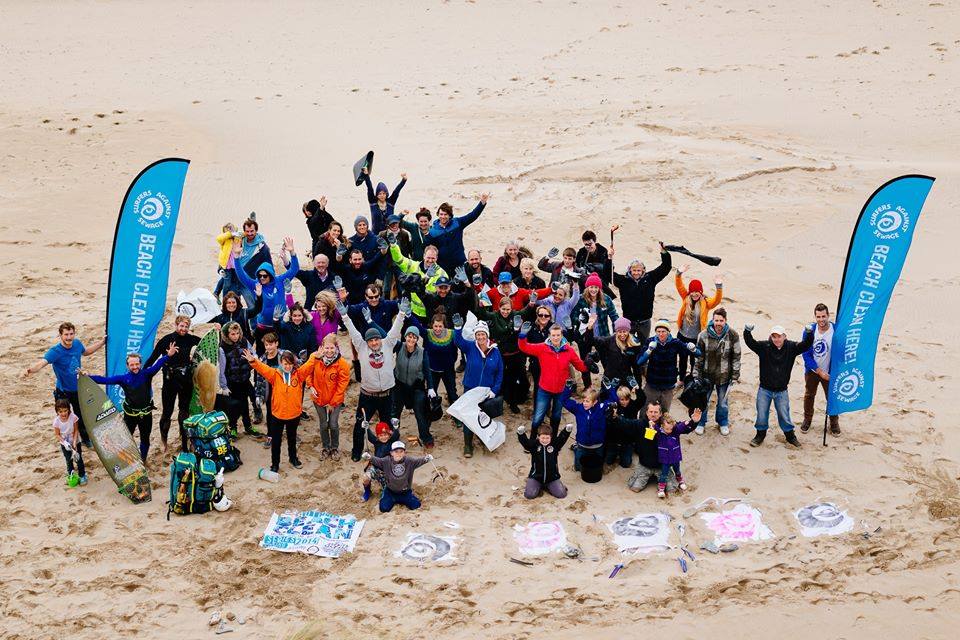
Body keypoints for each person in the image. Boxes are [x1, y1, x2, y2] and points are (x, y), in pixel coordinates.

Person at [339, 296, 409, 461]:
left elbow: (396, 327)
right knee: (359, 425)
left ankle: (391, 450)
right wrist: (345, 317)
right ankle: (356, 451)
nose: (374, 342)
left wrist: (401, 313)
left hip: (387, 395)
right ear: (367, 342)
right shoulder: (361, 346)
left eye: (376, 339)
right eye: (371, 340)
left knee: (389, 425)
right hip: (367, 395)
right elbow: (354, 332)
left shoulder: (388, 343)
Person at [85, 342, 177, 461]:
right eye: (131, 365)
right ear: (127, 366)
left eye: (137, 364)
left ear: (140, 363)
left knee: (145, 439)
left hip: (146, 415)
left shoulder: (147, 374)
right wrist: (89, 376)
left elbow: (158, 364)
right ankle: (126, 459)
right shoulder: (123, 379)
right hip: (130, 415)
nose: (135, 367)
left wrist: (168, 355)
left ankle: (142, 459)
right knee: (126, 438)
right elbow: (105, 380)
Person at [23, 322, 106, 447]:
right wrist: (29, 370)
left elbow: (86, 352)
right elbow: (42, 363)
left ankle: (85, 439)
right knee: (64, 417)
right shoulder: (55, 351)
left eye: (71, 334)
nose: (69, 337)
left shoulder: (77, 344)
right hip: (63, 392)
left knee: (81, 415)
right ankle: (65, 440)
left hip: (78, 388)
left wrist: (102, 343)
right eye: (66, 334)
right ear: (60, 335)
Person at [244, 348, 315, 473]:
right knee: (276, 442)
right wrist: (253, 361)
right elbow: (262, 368)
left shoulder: (299, 374)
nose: (287, 366)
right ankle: (275, 464)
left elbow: (309, 365)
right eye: (285, 364)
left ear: (293, 364)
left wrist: (315, 355)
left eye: (290, 364)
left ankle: (293, 459)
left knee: (292, 439)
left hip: (294, 414)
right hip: (277, 414)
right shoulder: (274, 374)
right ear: (281, 363)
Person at [743, 323, 814, 448]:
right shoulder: (764, 346)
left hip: (782, 390)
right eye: (774, 336)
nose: (777, 339)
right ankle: (760, 435)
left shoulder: (791, 347)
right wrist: (747, 331)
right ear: (771, 337)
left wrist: (809, 333)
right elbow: (750, 343)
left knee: (784, 414)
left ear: (784, 337)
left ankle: (790, 436)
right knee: (762, 414)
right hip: (764, 389)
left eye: (779, 336)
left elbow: (806, 345)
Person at [519, 322, 592, 434]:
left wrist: (588, 363)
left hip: (561, 390)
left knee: (556, 416)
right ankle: (533, 440)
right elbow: (524, 347)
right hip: (544, 389)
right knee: (538, 417)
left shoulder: (569, 350)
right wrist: (522, 336)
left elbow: (580, 366)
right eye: (553, 335)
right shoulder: (542, 348)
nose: (556, 338)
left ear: (562, 335)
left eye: (558, 335)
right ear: (549, 335)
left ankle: (553, 438)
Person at [144, 315, 201, 452]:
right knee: (167, 413)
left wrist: (216, 330)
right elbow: (152, 358)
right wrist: (143, 374)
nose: (184, 329)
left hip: (186, 380)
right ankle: (164, 440)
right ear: (176, 325)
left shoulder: (191, 339)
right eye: (181, 326)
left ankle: (184, 441)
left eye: (186, 326)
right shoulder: (166, 340)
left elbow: (208, 343)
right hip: (170, 381)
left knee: (184, 412)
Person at [234, 236, 300, 352]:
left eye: (265, 275)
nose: (262, 278)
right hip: (262, 327)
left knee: (281, 353)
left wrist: (292, 252)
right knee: (260, 354)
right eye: (260, 275)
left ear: (271, 274)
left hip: (279, 325)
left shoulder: (280, 280)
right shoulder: (256, 285)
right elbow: (241, 275)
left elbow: (294, 269)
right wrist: (236, 257)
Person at [453, 318, 504, 457]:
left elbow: (500, 372)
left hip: (487, 391)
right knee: (469, 417)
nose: (480, 337)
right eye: (478, 334)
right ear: (475, 336)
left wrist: (494, 390)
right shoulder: (470, 347)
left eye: (483, 334)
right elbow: (458, 341)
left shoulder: (495, 351)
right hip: (470, 389)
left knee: (484, 416)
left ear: (487, 335)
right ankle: (468, 444)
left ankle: (483, 438)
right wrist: (458, 328)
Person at [475, 296, 530, 414]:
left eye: (508, 309)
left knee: (514, 379)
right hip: (500, 354)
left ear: (512, 309)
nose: (505, 312)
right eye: (503, 309)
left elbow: (526, 311)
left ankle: (513, 402)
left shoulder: (516, 315)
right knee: (499, 376)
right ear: (499, 308)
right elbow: (482, 314)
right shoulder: (494, 316)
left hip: (515, 354)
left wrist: (531, 303)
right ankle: (498, 399)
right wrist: (480, 305)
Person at [692, 307, 740, 436]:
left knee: (723, 402)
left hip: (724, 376)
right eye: (716, 320)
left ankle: (722, 422)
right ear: (712, 320)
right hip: (706, 375)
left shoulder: (733, 335)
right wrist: (696, 375)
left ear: (725, 321)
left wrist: (735, 375)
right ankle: (701, 423)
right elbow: (698, 358)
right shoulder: (703, 335)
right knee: (703, 401)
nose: (718, 323)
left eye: (721, 320)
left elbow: (736, 356)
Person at [302, 334, 351, 461]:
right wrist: (310, 385)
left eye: (332, 348)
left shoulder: (342, 364)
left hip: (335, 400)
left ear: (336, 348)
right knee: (324, 424)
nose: (329, 351)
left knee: (333, 424)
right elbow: (307, 372)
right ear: (322, 347)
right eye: (326, 348)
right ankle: (326, 447)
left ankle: (334, 447)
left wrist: (333, 403)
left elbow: (342, 386)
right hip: (318, 399)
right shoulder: (314, 358)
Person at [635, 320, 701, 413]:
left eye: (663, 331)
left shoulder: (675, 343)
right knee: (645, 411)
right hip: (652, 384)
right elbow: (639, 362)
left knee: (665, 413)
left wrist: (693, 349)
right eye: (658, 332)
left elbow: (697, 354)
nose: (661, 334)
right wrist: (649, 351)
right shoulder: (650, 341)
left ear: (668, 332)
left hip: (668, 386)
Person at [612, 242, 672, 340]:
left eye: (639, 270)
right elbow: (608, 273)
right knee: (628, 345)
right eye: (634, 270)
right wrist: (609, 258)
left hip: (645, 322)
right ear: (630, 270)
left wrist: (664, 252)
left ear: (643, 270)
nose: (636, 273)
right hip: (629, 322)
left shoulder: (650, 278)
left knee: (644, 346)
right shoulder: (623, 281)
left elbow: (666, 267)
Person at [215, 322, 263, 439]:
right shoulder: (222, 348)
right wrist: (224, 386)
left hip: (245, 378)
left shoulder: (244, 341)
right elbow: (221, 369)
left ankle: (248, 426)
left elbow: (253, 352)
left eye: (237, 333)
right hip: (232, 381)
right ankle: (233, 428)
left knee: (245, 404)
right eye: (232, 334)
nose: (235, 336)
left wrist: (255, 358)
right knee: (234, 406)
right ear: (227, 334)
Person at [675, 265, 723, 379]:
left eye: (697, 292)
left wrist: (719, 286)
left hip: (696, 338)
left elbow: (717, 300)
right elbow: (679, 285)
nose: (694, 294)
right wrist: (678, 273)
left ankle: (692, 379)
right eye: (692, 291)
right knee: (682, 359)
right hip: (682, 335)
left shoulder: (706, 303)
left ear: (701, 292)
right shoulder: (685, 297)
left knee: (694, 361)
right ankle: (681, 379)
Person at [393, 325, 436, 448]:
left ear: (417, 339)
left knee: (420, 412)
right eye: (409, 336)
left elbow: (427, 371)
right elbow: (386, 336)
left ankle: (426, 437)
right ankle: (394, 437)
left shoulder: (422, 353)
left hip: (416, 387)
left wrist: (431, 387)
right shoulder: (399, 346)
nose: (411, 340)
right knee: (395, 413)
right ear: (405, 336)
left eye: (414, 337)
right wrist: (370, 321)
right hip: (400, 385)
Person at [361, 441, 433, 513]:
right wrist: (369, 457)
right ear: (391, 453)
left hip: (405, 492)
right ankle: (386, 497)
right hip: (391, 492)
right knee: (383, 508)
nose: (399, 454)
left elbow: (419, 461)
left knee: (416, 505)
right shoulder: (386, 461)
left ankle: (403, 500)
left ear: (404, 453)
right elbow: (377, 460)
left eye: (401, 451)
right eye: (396, 451)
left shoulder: (409, 461)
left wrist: (426, 459)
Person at [801, 303, 840, 435]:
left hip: (830, 372)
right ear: (815, 317)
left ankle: (834, 422)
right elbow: (805, 353)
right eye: (818, 317)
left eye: (824, 316)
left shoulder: (836, 329)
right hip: (813, 371)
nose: (821, 319)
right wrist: (818, 371)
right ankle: (807, 420)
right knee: (809, 395)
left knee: (832, 398)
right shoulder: (810, 331)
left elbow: (841, 350)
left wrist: (833, 370)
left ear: (828, 315)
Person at [562, 382, 617, 471]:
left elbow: (614, 400)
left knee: (597, 466)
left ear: (595, 402)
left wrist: (609, 387)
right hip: (582, 444)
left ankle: (577, 448)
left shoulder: (601, 408)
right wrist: (568, 388)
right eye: (583, 400)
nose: (584, 403)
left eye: (587, 401)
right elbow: (564, 401)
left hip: (598, 445)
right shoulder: (578, 408)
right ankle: (576, 448)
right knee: (578, 468)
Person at [387, 241, 447, 322]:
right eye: (428, 257)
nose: (430, 260)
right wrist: (394, 245)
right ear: (424, 256)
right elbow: (399, 259)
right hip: (413, 311)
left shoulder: (442, 274)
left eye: (433, 258)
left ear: (436, 258)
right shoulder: (413, 266)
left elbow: (443, 295)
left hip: (430, 313)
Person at [429, 195, 489, 274]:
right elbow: (430, 249)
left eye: (445, 214)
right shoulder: (433, 231)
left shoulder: (457, 223)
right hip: (443, 266)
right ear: (438, 214)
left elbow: (472, 216)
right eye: (441, 214)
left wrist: (482, 203)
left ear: (450, 215)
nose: (443, 217)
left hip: (460, 264)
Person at [626, 401, 676, 493]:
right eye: (651, 412)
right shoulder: (640, 424)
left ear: (660, 414)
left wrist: (694, 422)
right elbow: (625, 423)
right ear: (646, 412)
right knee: (634, 487)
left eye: (656, 412)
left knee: (672, 489)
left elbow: (682, 427)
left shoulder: (666, 425)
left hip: (662, 465)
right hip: (645, 464)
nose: (653, 414)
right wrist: (614, 417)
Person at [517, 423, 573, 499]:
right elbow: (525, 443)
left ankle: (549, 487)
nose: (545, 440)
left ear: (551, 437)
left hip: (552, 478)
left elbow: (562, 439)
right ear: (538, 437)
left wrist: (567, 431)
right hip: (536, 477)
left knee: (562, 494)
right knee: (529, 495)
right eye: (543, 438)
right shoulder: (534, 445)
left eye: (547, 438)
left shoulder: (554, 444)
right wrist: (521, 434)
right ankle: (538, 486)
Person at [654, 409, 701, 498]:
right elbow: (649, 435)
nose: (669, 431)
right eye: (667, 429)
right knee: (664, 474)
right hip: (665, 459)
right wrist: (651, 426)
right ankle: (661, 489)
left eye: (671, 428)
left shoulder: (675, 431)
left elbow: (682, 426)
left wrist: (692, 421)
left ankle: (680, 481)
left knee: (677, 471)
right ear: (662, 426)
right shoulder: (658, 432)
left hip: (675, 457)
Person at [586, 317, 643, 384]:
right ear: (616, 331)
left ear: (628, 331)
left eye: (624, 331)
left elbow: (636, 367)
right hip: (610, 377)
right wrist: (589, 329)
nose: (622, 334)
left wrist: (639, 383)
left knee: (625, 394)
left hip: (626, 377)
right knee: (607, 394)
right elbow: (590, 341)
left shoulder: (634, 345)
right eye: (619, 332)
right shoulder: (608, 341)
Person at [419, 313, 459, 407]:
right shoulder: (427, 333)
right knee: (431, 394)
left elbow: (456, 349)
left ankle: (455, 413)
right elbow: (418, 327)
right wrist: (408, 315)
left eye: (440, 326)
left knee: (452, 393)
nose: (437, 329)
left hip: (448, 370)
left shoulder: (452, 333)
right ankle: (433, 413)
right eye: (435, 326)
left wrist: (459, 327)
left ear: (444, 326)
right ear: (432, 325)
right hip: (432, 370)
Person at [604, 382, 646, 467]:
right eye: (621, 399)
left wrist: (637, 388)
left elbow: (642, 399)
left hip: (627, 441)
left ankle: (633, 448)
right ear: (617, 399)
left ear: (629, 398)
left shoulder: (633, 405)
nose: (624, 402)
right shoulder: (614, 407)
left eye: (626, 399)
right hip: (614, 441)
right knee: (608, 461)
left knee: (626, 464)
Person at [360, 420, 400, 501]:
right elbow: (370, 436)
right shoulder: (376, 442)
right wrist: (366, 428)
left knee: (387, 494)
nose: (383, 437)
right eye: (381, 435)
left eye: (385, 435)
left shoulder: (392, 441)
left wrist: (395, 426)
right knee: (365, 478)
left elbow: (396, 435)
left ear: (389, 435)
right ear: (378, 436)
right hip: (376, 468)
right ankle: (367, 492)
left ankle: (386, 490)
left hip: (388, 472)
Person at [236, 217, 271, 308]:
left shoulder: (263, 248)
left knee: (252, 307)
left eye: (252, 231)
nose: (250, 234)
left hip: (249, 281)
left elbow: (268, 265)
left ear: (256, 231)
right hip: (235, 279)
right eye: (247, 231)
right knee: (232, 306)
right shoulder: (239, 241)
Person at [53, 398, 86, 486]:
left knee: (78, 459)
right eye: (60, 411)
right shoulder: (56, 422)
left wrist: (74, 442)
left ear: (69, 409)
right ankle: (71, 476)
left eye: (65, 411)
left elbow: (76, 430)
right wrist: (64, 443)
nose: (63, 413)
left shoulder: (73, 417)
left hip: (75, 442)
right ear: (57, 411)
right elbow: (57, 434)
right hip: (65, 444)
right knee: (69, 460)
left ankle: (82, 475)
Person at [362, 168, 407, 234]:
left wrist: (403, 180)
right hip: (375, 236)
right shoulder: (373, 202)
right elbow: (369, 187)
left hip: (389, 236)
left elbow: (397, 191)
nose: (382, 195)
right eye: (379, 194)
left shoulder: (390, 203)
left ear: (386, 194)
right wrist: (366, 175)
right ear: (377, 195)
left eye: (384, 193)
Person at [252, 332, 281, 428]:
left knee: (283, 413)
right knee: (270, 413)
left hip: (282, 390)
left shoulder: (284, 355)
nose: (269, 347)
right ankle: (270, 434)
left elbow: (296, 365)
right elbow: (259, 379)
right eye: (266, 345)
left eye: (271, 344)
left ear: (276, 343)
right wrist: (258, 395)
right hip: (269, 391)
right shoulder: (262, 360)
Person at [486, 272, 551, 311]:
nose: (505, 286)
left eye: (507, 283)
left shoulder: (520, 292)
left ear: (511, 282)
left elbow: (536, 293)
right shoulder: (493, 292)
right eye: (503, 283)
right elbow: (481, 298)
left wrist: (551, 289)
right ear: (499, 283)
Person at [213, 222, 241, 302]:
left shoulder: (237, 238)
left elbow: (240, 236)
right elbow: (219, 238)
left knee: (235, 283)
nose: (230, 231)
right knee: (227, 283)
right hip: (227, 265)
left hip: (235, 265)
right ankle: (224, 300)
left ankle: (217, 293)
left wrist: (234, 233)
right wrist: (230, 234)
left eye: (231, 228)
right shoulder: (225, 240)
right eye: (227, 230)